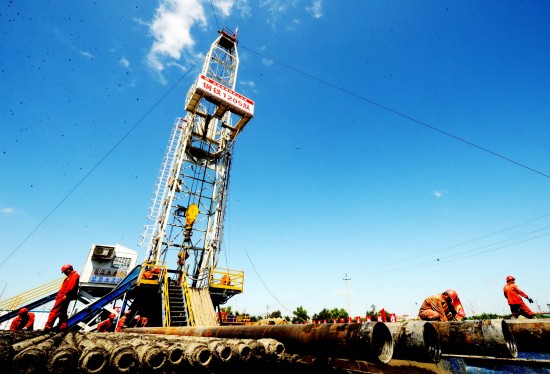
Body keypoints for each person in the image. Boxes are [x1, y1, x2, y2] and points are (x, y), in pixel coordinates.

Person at [44, 264, 80, 331]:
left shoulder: (74, 275)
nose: (65, 273)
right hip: (64, 296)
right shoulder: (70, 276)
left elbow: (70, 287)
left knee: (54, 311)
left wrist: (65, 295)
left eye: (65, 272)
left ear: (69, 269)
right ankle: (62, 327)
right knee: (63, 312)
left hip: (63, 296)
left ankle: (48, 326)